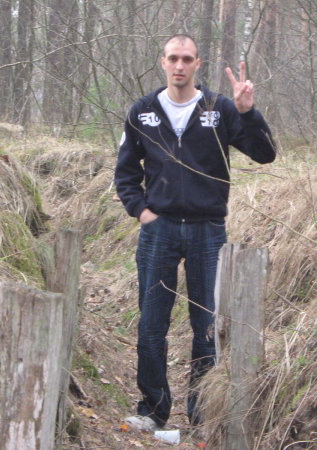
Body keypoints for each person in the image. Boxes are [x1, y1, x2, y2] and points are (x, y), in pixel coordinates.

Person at [114, 33, 275, 432]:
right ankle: (152, 411)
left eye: (187, 59)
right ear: (163, 62)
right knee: (152, 324)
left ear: (198, 64)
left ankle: (203, 415)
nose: (180, 65)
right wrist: (142, 212)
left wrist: (248, 113)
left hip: (208, 231)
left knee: (206, 327)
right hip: (160, 231)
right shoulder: (143, 112)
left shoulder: (219, 109)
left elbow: (265, 154)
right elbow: (126, 172)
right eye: (173, 58)